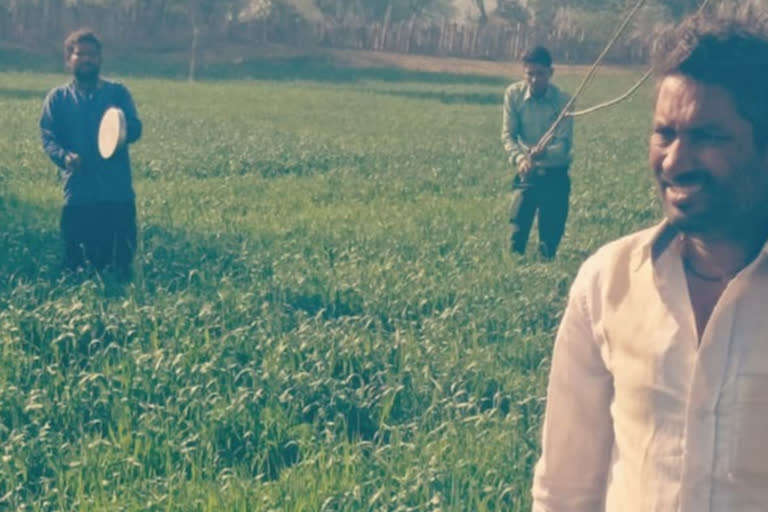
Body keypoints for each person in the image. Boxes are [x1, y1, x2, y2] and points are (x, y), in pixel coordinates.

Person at [531, 14, 768, 512]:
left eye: (708, 136)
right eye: (665, 133)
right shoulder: (607, 282)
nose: (675, 161)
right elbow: (565, 489)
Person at [40, 28, 142, 279]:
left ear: (100, 59)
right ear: (69, 59)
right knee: (78, 265)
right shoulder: (58, 99)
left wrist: (120, 130)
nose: (87, 59)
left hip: (115, 193)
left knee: (119, 264)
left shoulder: (117, 93)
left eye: (92, 55)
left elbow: (136, 127)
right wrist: (64, 158)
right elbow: (49, 138)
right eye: (80, 54)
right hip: (78, 194)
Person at [501, 46, 573, 259]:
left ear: (551, 73)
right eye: (529, 74)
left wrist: (545, 154)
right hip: (527, 175)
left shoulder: (564, 101)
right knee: (516, 237)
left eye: (540, 73)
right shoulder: (513, 95)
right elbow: (508, 135)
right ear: (523, 73)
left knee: (548, 247)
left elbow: (563, 146)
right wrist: (520, 158)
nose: (534, 79)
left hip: (555, 176)